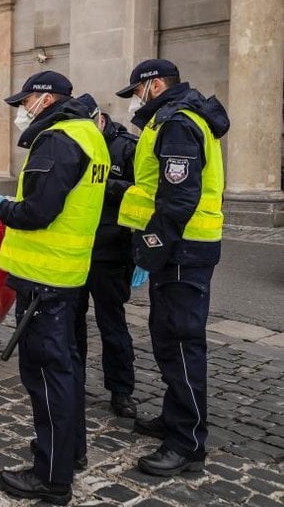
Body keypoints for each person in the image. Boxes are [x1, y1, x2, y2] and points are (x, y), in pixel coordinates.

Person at [0, 71, 110, 506]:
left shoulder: (59, 138)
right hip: (66, 274)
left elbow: (37, 211)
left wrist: (3, 207)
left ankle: (52, 476)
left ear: (43, 99)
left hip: (45, 279)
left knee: (46, 376)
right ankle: (68, 452)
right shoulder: (88, 134)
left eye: (25, 102)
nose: (22, 111)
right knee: (66, 369)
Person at [114, 59, 229, 477]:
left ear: (155, 85)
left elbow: (178, 196)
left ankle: (187, 443)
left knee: (181, 344)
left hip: (183, 249)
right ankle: (175, 418)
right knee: (168, 340)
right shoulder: (173, 119)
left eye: (136, 93)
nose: (133, 102)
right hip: (181, 249)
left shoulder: (178, 122)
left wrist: (151, 247)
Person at [71, 94, 140, 419]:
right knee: (72, 324)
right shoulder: (76, 143)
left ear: (99, 120)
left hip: (112, 251)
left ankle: (121, 390)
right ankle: (74, 382)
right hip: (77, 249)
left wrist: (104, 185)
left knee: (112, 324)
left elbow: (142, 190)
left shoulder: (125, 146)